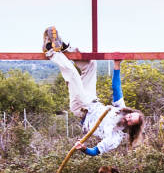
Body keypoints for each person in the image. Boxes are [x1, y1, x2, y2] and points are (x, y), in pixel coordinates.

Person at [43, 26, 145, 156]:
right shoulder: (121, 110)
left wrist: (83, 148)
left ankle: (50, 51)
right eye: (130, 115)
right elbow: (116, 88)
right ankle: (65, 48)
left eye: (131, 121)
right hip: (92, 100)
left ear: (132, 127)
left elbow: (96, 151)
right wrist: (117, 65)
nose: (128, 118)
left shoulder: (115, 138)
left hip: (82, 109)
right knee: (91, 65)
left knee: (73, 75)